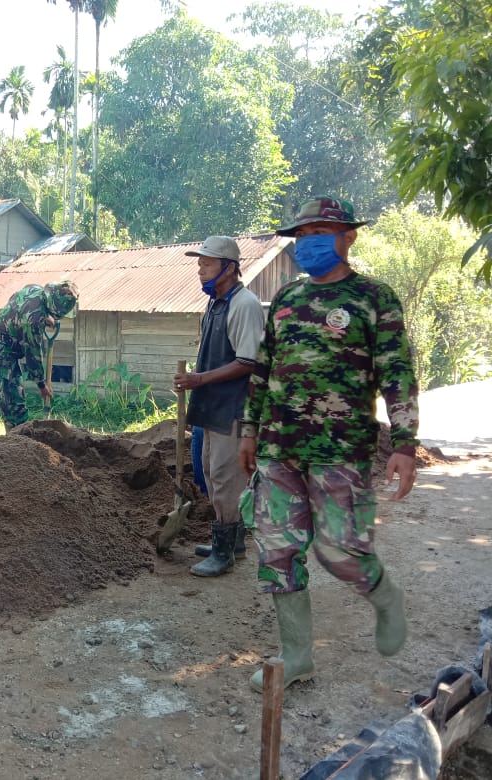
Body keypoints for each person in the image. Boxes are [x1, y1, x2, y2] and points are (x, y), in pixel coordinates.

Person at [238, 196, 419, 692]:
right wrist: (250, 431)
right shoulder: (288, 300)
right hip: (279, 449)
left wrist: (405, 442)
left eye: (320, 232)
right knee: (278, 551)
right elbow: (263, 369)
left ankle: (385, 597)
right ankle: (296, 656)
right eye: (302, 235)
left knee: (339, 552)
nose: (309, 243)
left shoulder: (374, 298)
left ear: (348, 237)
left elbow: (397, 373)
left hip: (341, 451)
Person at [174, 236, 264, 577]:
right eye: (199, 264)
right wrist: (196, 380)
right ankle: (231, 541)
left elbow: (248, 362)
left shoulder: (245, 305)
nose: (200, 270)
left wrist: (199, 380)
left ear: (230, 268)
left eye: (207, 264)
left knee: (227, 479)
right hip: (211, 405)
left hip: (233, 408)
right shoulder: (214, 305)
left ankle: (225, 552)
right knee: (211, 474)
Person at [0, 281, 79, 441]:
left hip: (9, 355)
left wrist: (45, 317)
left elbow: (21, 306)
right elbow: (32, 357)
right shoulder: (33, 321)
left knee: (15, 403)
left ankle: (17, 450)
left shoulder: (35, 290)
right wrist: (42, 385)